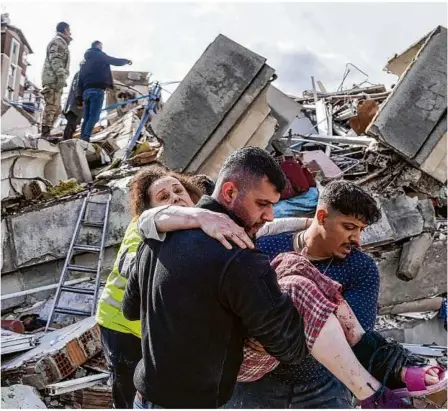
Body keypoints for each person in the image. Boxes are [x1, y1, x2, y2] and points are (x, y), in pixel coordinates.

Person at [135, 177, 444, 408]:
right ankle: (380, 389)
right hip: (256, 384)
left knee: (299, 277)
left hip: (321, 387)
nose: (357, 240)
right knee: (295, 277)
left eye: (361, 231)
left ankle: (393, 372)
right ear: (322, 218)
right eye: (349, 227)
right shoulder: (263, 246)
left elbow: (356, 338)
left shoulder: (360, 268)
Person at [123, 147, 312, 408]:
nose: (269, 216)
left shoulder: (155, 238)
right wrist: (298, 290)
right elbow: (289, 346)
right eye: (262, 204)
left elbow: (131, 309)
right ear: (230, 192)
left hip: (144, 398)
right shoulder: (240, 259)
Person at [96, 165, 253, 409]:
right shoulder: (143, 230)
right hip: (121, 326)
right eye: (163, 197)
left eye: (178, 190)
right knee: (131, 391)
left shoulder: (200, 227)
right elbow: (131, 266)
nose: (174, 198)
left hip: (152, 328)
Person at [77, 41, 132, 142]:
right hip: (97, 90)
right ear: (98, 46)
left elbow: (79, 81)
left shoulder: (84, 62)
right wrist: (126, 61)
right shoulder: (100, 55)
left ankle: (82, 137)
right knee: (94, 116)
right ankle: (85, 137)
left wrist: (79, 97)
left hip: (86, 92)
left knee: (87, 117)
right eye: (101, 46)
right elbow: (114, 61)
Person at [41, 22, 71, 141]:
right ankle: (45, 133)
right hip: (53, 79)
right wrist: (61, 77)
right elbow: (55, 60)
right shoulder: (58, 42)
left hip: (56, 80)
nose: (70, 33)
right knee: (52, 106)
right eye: (69, 30)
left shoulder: (62, 43)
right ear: (65, 30)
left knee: (57, 109)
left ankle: (47, 132)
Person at [62, 65, 83, 140]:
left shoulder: (81, 73)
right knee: (71, 125)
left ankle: (67, 141)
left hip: (75, 105)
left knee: (72, 126)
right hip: (74, 105)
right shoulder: (80, 74)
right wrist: (79, 99)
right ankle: (66, 141)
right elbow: (76, 86)